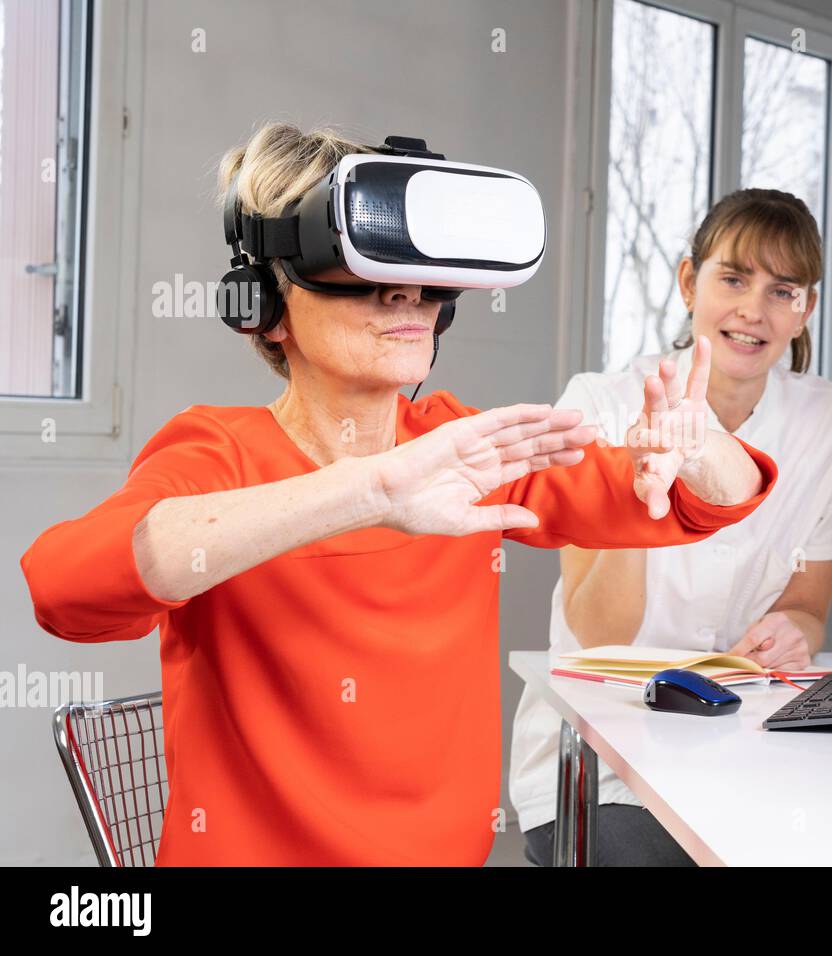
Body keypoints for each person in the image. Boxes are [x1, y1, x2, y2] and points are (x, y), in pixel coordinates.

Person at [18, 123, 778, 866]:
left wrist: (694, 441)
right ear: (268, 302)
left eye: (419, 272)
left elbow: (702, 502)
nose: (405, 294)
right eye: (362, 267)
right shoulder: (219, 452)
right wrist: (369, 490)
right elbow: (64, 589)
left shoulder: (463, 445)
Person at [509, 188, 832, 866]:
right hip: (601, 760)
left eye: (784, 290)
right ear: (690, 282)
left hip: (749, 743)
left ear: (806, 310)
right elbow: (599, 635)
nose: (754, 310)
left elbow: (808, 608)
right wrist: (636, 490)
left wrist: (794, 633)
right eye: (734, 278)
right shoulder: (599, 404)